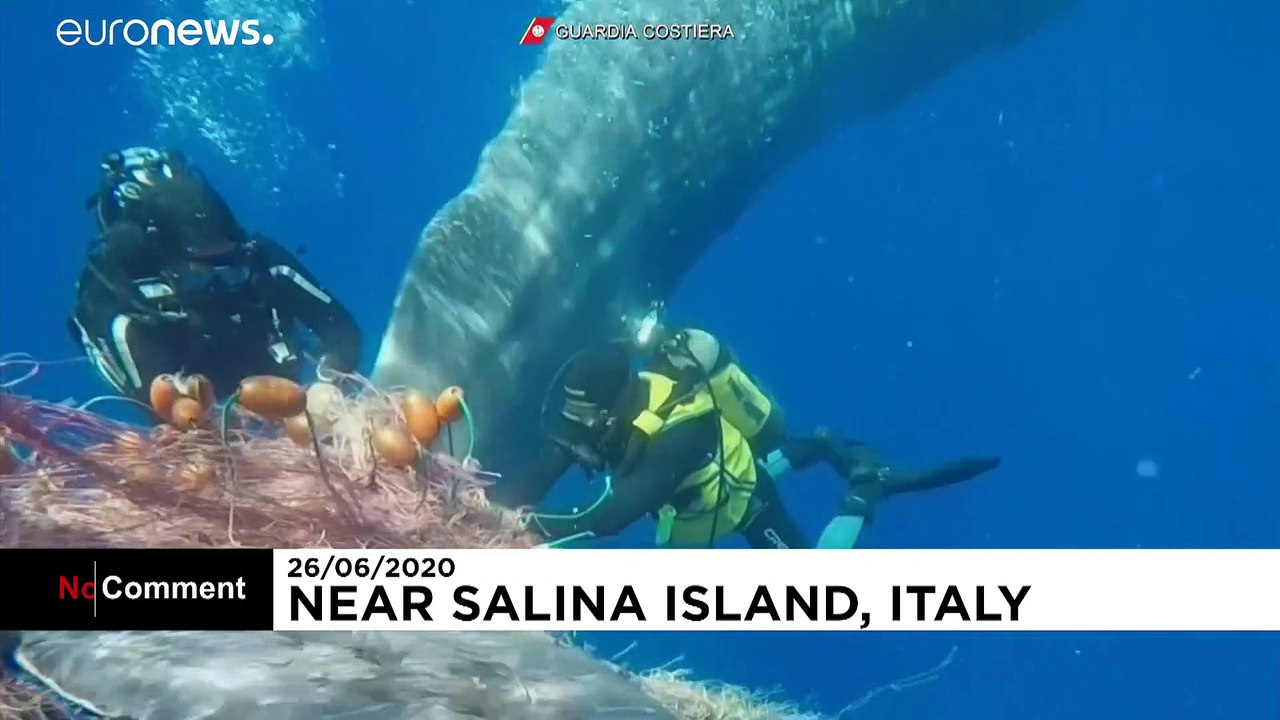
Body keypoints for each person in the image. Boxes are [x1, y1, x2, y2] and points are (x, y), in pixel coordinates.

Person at [509, 339, 1002, 550]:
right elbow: (559, 454)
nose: (580, 434)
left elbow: (605, 518)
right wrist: (487, 504)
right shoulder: (615, 413)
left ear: (611, 412)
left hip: (741, 503)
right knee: (751, 467)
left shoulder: (680, 432)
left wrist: (516, 526)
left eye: (586, 421)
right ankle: (816, 447)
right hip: (698, 489)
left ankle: (866, 487)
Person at [66, 146, 361, 406]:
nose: (224, 282)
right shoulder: (120, 309)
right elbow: (170, 415)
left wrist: (326, 387)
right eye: (203, 274)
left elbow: (340, 327)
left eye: (231, 265)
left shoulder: (256, 259)